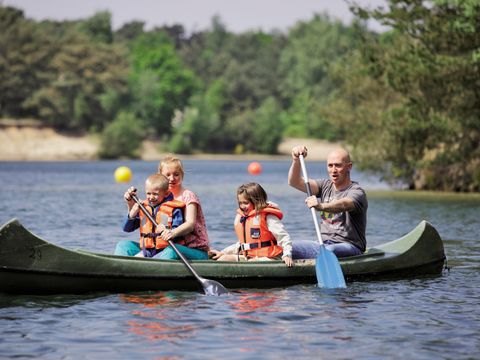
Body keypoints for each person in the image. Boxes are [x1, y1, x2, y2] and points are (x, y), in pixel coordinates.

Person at [288, 146, 368, 258]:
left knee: (328, 250)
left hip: (350, 246)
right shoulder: (324, 186)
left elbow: (344, 204)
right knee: (287, 247)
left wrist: (321, 206)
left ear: (349, 167)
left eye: (338, 165)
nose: (333, 170)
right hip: (322, 244)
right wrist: (296, 160)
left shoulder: (357, 192)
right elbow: (294, 182)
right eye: (330, 165)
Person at [209, 182, 294, 267]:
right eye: (240, 203)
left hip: (270, 258)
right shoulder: (245, 218)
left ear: (257, 201)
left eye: (245, 203)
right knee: (223, 259)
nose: (242, 206)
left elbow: (283, 237)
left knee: (252, 263)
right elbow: (243, 245)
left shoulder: (268, 217)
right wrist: (223, 252)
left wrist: (287, 255)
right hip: (250, 258)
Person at [114, 173, 185, 258]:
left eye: (155, 194)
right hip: (148, 250)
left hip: (167, 250)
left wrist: (168, 231)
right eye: (148, 193)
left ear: (166, 194)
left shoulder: (174, 209)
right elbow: (127, 229)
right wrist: (132, 213)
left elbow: (179, 232)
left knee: (161, 256)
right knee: (123, 245)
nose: (151, 197)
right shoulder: (144, 208)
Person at [156, 155, 210, 260]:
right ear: (160, 177)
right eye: (167, 175)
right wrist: (130, 204)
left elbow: (190, 224)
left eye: (176, 174)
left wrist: (173, 232)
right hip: (167, 248)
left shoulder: (188, 196)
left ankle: (150, 264)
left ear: (182, 175)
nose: (172, 178)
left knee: (172, 250)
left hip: (195, 251)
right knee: (125, 245)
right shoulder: (159, 198)